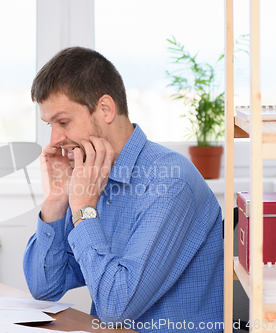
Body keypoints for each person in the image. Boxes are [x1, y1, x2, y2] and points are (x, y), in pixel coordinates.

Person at [23, 47, 223, 332]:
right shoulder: (91, 176)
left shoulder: (169, 182)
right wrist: (57, 200)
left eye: (63, 122)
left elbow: (117, 308)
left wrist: (82, 208)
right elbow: (45, 287)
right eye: (50, 125)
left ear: (105, 109)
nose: (55, 139)